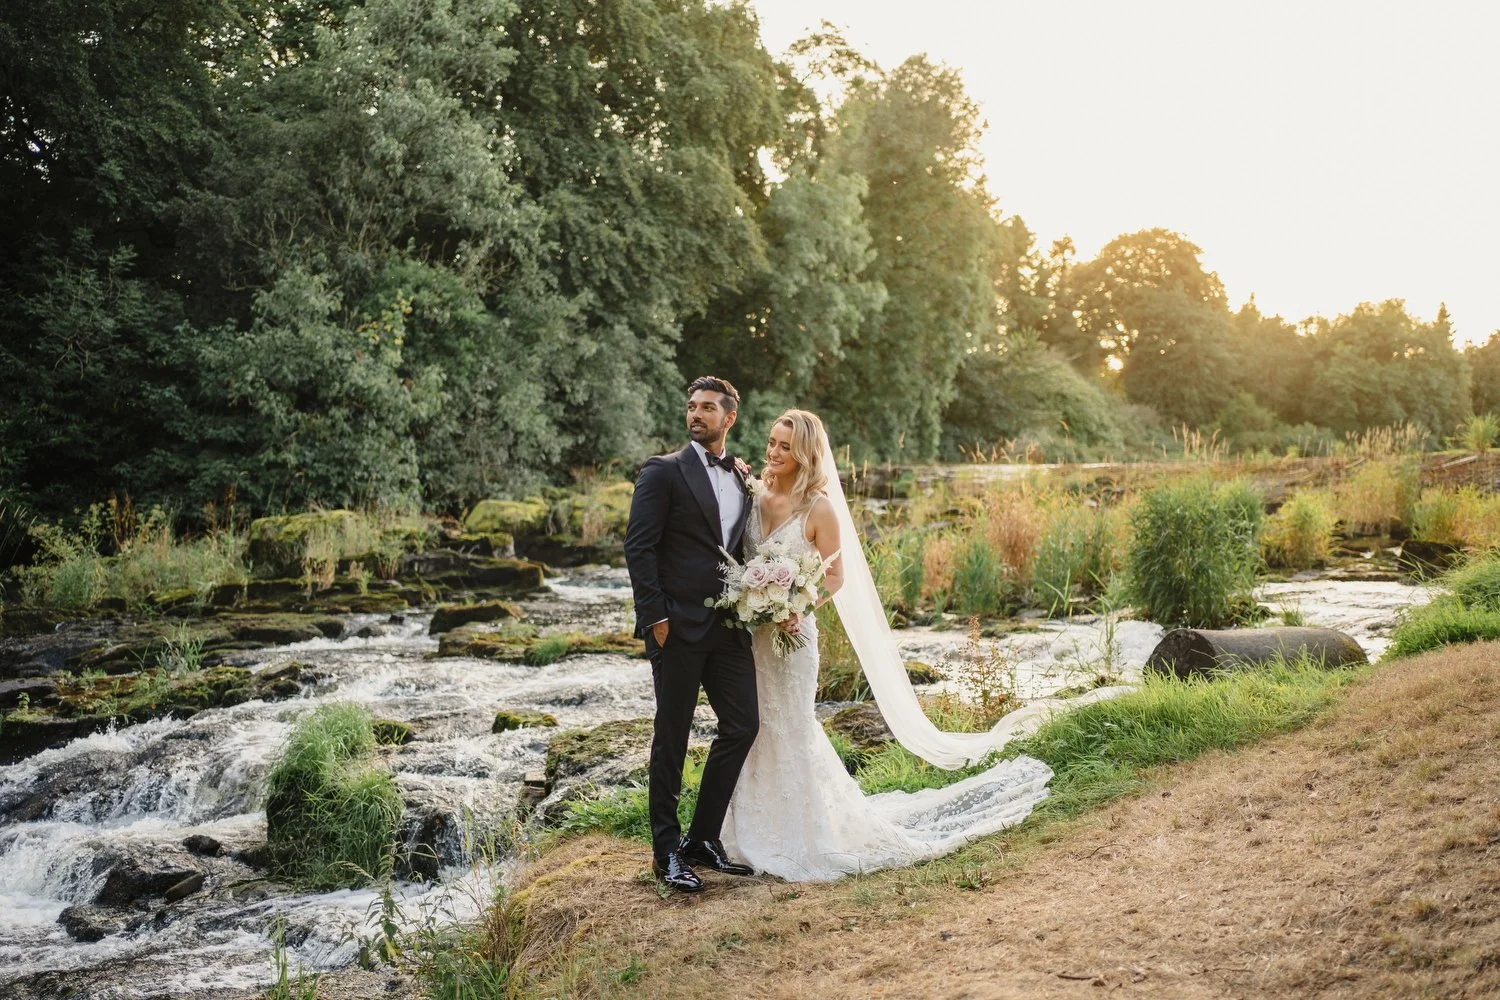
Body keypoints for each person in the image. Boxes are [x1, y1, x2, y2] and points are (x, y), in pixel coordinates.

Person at [719, 409, 1054, 881]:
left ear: (805, 454)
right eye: (772, 442)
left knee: (790, 728)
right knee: (752, 728)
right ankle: (744, 831)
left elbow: (834, 574)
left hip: (793, 639)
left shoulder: (819, 508)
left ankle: (803, 833)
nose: (773, 452)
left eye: (785, 447)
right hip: (753, 638)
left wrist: (797, 606)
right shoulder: (752, 494)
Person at [623, 375, 760, 892]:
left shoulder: (741, 477)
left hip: (728, 626)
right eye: (692, 406)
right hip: (675, 628)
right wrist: (654, 617)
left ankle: (703, 838)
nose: (696, 414)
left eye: (708, 408)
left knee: (743, 723)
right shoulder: (663, 472)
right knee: (672, 737)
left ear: (729, 418)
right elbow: (638, 548)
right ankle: (665, 852)